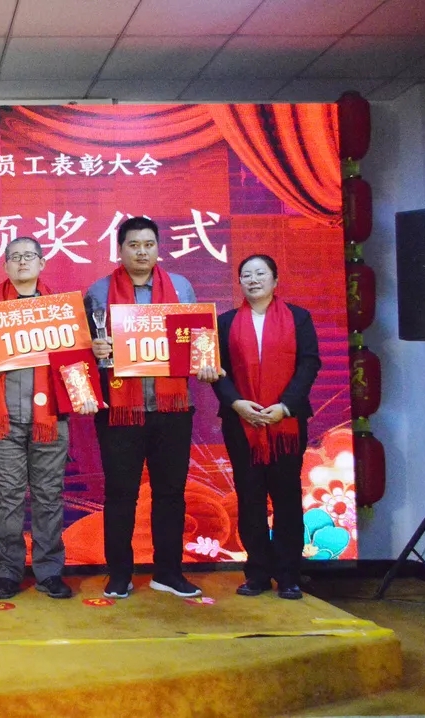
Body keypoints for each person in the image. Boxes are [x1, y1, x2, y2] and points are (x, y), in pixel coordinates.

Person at [86, 216, 217, 600]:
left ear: (158, 248)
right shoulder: (98, 291)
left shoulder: (181, 287)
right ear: (120, 250)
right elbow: (82, 347)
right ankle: (119, 575)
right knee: (120, 494)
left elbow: (199, 337)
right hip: (119, 409)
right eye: (133, 245)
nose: (141, 252)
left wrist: (206, 359)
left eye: (148, 244)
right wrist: (95, 349)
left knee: (170, 493)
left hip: (172, 408)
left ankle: (168, 573)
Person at [0, 237, 97, 601]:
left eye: (29, 256)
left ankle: (49, 572)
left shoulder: (63, 308)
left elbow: (79, 356)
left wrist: (85, 394)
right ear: (5, 266)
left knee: (48, 496)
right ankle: (8, 572)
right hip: (4, 416)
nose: (22, 262)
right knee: (7, 498)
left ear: (42, 263)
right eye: (15, 257)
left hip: (50, 415)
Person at [213, 254, 320, 600]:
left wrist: (285, 406)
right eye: (246, 275)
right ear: (239, 283)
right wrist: (237, 403)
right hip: (241, 423)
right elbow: (216, 369)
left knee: (287, 497)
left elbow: (309, 364)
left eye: (261, 273)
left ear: (275, 280)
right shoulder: (226, 322)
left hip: (285, 424)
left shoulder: (299, 318)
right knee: (250, 497)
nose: (253, 280)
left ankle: (289, 574)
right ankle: (257, 572)